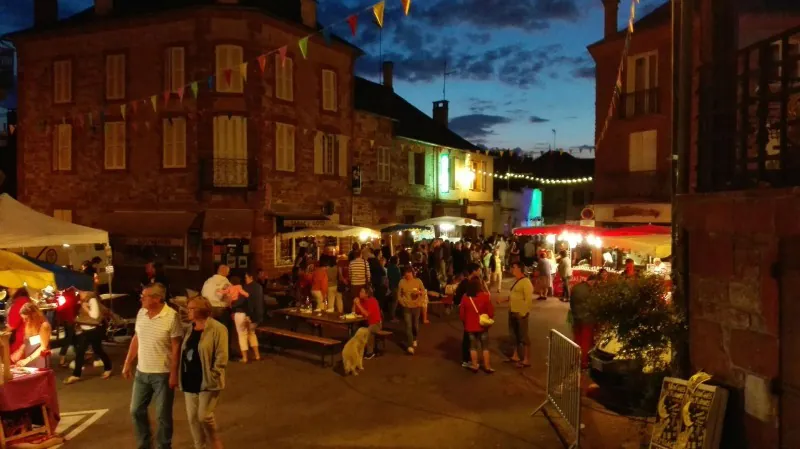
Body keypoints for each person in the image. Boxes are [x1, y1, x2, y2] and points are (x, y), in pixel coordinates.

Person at [123, 283, 184, 449]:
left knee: (162, 416)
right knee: (135, 410)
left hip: (162, 374)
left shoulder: (171, 316)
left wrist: (173, 373)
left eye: (146, 296)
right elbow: (137, 338)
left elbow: (176, 346)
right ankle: (144, 444)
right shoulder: (141, 313)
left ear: (158, 298)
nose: (141, 298)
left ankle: (164, 445)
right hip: (142, 372)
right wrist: (128, 362)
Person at [181, 296, 228, 449]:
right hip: (189, 378)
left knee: (204, 416)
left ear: (202, 310)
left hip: (207, 380)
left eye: (191, 308)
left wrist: (214, 374)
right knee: (193, 418)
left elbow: (222, 355)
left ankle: (215, 442)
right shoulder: (190, 328)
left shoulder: (218, 328)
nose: (188, 311)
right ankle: (199, 446)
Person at [64, 292, 113, 384]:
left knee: (98, 350)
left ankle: (108, 368)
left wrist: (85, 307)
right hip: (84, 330)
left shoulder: (92, 300)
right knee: (80, 352)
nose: (79, 293)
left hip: (94, 330)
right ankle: (76, 375)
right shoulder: (80, 300)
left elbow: (94, 316)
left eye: (82, 291)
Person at [498, 262, 534, 368]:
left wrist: (523, 313)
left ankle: (526, 359)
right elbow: (514, 296)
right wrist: (503, 299)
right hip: (513, 311)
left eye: (514, 267)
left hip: (520, 313)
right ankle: (515, 355)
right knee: (514, 335)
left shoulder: (526, 282)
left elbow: (528, 300)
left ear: (520, 269)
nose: (512, 269)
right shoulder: (517, 281)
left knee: (524, 337)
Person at [459, 278, 495, 373]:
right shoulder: (485, 296)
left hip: (470, 327)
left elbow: (462, 314)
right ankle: (487, 366)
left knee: (473, 347)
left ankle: (475, 365)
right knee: (485, 347)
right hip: (482, 326)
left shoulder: (465, 297)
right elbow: (491, 312)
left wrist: (465, 322)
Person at [10, 302, 51, 368]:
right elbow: (26, 341)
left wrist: (27, 360)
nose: (24, 321)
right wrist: (19, 352)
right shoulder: (29, 325)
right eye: (23, 318)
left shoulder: (44, 326)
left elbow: (43, 347)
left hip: (40, 358)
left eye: (26, 318)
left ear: (34, 315)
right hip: (30, 357)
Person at [235, 272, 264, 363]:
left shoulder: (244, 288)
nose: (245, 279)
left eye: (246, 277)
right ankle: (257, 355)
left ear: (251, 277)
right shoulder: (259, 287)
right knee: (252, 333)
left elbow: (240, 302)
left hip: (242, 313)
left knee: (242, 334)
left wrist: (233, 305)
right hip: (255, 315)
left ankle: (245, 358)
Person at [397, 266, 426, 355]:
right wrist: (402, 302)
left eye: (410, 274)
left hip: (416, 306)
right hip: (406, 306)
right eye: (406, 274)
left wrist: (419, 294)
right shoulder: (402, 282)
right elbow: (399, 294)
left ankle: (415, 338)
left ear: (412, 274)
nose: (408, 275)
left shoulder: (418, 281)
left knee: (415, 325)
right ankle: (410, 346)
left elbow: (424, 292)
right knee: (408, 325)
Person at [570, 276, 596, 369]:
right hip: (587, 320)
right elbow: (592, 306)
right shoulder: (590, 291)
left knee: (577, 341)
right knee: (585, 342)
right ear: (592, 282)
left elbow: (571, 303)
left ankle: (576, 360)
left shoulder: (576, 288)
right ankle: (583, 362)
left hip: (576, 318)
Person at [353, 287, 382, 359]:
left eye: (362, 292)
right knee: (354, 328)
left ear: (367, 294)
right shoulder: (361, 301)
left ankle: (370, 352)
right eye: (360, 292)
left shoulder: (372, 301)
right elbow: (353, 312)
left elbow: (367, 314)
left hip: (376, 324)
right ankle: (356, 349)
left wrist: (358, 304)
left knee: (368, 330)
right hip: (365, 323)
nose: (360, 293)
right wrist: (354, 304)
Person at [386, 256, 402, 322]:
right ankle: (392, 316)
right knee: (395, 301)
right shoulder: (395, 268)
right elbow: (398, 277)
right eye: (398, 259)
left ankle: (392, 315)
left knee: (394, 300)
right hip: (395, 285)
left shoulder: (389, 267)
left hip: (391, 285)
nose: (399, 260)